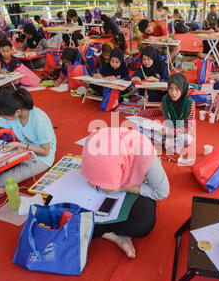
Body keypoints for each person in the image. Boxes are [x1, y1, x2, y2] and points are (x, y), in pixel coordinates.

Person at [81, 127, 169, 258]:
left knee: (143, 224)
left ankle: (99, 228)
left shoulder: (145, 154)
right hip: (114, 189)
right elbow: (91, 173)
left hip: (134, 187)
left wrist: (123, 188)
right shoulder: (93, 143)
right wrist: (95, 181)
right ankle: (114, 236)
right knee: (60, 206)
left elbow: (161, 192)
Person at [0, 88, 56, 205]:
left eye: (3, 116)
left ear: (17, 112)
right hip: (22, 150)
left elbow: (45, 151)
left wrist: (19, 144)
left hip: (41, 158)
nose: (1, 119)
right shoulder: (13, 114)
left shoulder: (38, 119)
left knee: (1, 179)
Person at [137, 73, 196, 154]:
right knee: (139, 127)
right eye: (170, 88)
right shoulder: (166, 99)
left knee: (186, 139)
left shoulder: (190, 103)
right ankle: (166, 141)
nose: (173, 93)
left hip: (181, 132)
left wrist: (170, 132)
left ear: (183, 89)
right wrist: (139, 113)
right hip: (168, 129)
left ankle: (163, 141)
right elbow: (159, 111)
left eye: (177, 89)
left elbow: (188, 128)